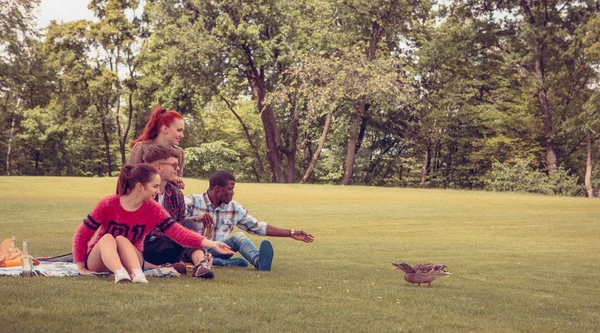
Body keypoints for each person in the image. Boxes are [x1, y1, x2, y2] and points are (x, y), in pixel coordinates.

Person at [72, 164, 234, 284]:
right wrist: (80, 266)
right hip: (100, 259)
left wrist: (211, 244)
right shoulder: (109, 204)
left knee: (121, 239)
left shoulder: (152, 209)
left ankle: (137, 274)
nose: (158, 191)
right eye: (155, 186)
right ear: (140, 187)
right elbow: (83, 233)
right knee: (108, 237)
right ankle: (119, 273)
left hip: (132, 258)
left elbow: (179, 233)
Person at [185, 171, 314, 271]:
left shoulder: (234, 207)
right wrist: (194, 218)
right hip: (193, 252)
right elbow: (173, 222)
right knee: (198, 252)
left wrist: (291, 233)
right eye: (230, 189)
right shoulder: (192, 201)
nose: (233, 193)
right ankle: (223, 263)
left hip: (220, 250)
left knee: (239, 237)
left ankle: (260, 262)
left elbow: (258, 227)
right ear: (218, 189)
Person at [141, 144, 216, 279]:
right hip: (146, 248)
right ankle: (168, 266)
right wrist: (174, 233)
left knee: (187, 223)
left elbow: (182, 224)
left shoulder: (175, 194)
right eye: (174, 165)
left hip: (170, 247)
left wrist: (200, 248)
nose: (178, 168)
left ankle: (201, 264)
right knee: (183, 228)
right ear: (159, 167)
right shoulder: (143, 192)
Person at [129, 105, 186, 189]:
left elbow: (175, 179)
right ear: (165, 129)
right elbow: (130, 180)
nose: (182, 135)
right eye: (179, 130)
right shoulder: (141, 148)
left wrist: (177, 181)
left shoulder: (180, 153)